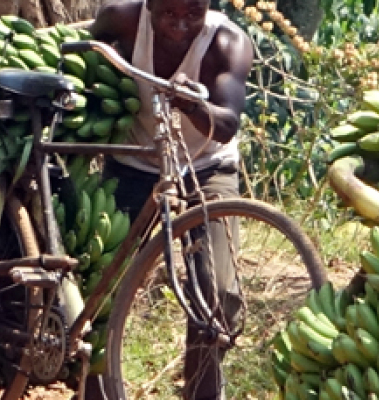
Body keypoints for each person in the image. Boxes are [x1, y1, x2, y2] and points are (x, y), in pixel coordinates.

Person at [87, 0, 253, 399]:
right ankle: (94, 386)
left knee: (216, 291)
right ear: (149, 6)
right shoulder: (122, 20)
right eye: (168, 14)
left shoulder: (227, 43)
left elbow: (227, 125)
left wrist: (194, 105)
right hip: (134, 162)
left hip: (207, 166)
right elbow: (85, 60)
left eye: (192, 15)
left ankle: (201, 391)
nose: (180, 26)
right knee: (100, 280)